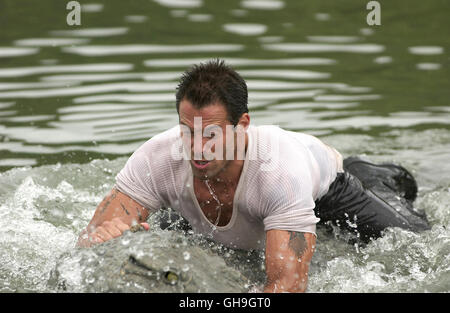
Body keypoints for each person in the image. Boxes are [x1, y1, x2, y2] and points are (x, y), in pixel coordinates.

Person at [76, 59, 430, 293]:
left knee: (419, 242)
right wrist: (103, 240)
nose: (197, 150)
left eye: (211, 135)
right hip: (213, 211)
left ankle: (375, 174)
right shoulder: (156, 157)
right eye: (188, 131)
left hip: (327, 190)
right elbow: (88, 246)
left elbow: (287, 287)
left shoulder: (279, 172)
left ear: (242, 125)